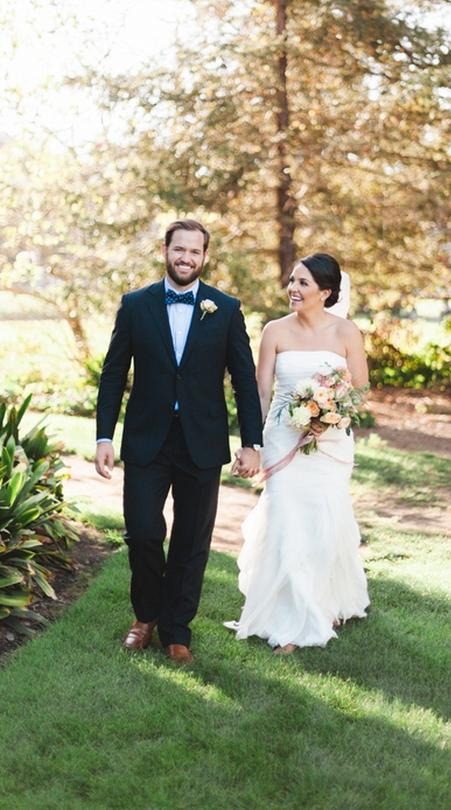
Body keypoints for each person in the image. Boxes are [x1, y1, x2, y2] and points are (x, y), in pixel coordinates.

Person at [94, 219, 263, 663]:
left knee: (192, 540)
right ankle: (146, 614)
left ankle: (176, 630)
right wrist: (103, 436)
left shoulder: (225, 308)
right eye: (179, 250)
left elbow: (244, 379)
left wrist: (252, 441)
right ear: (165, 251)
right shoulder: (135, 305)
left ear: (205, 257)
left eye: (195, 251)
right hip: (147, 439)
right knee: (144, 532)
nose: (186, 258)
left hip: (202, 440)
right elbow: (114, 375)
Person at [229, 253, 370, 654]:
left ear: (326, 292)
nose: (293, 288)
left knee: (323, 523)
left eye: (303, 283)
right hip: (282, 439)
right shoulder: (275, 331)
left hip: (329, 443)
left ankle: (323, 602)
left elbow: (360, 389)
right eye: (292, 280)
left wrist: (328, 414)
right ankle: (289, 622)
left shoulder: (347, 333)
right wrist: (251, 444)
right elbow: (258, 392)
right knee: (288, 522)